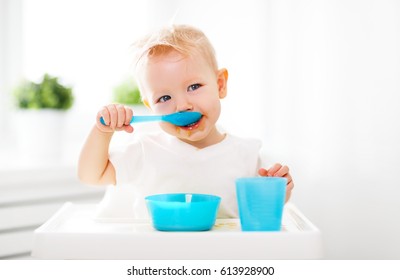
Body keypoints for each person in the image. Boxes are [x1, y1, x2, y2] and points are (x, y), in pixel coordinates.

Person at [78, 25, 294, 218]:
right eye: (164, 98)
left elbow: (258, 213)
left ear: (220, 85)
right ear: (149, 107)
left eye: (193, 87)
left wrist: (276, 193)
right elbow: (91, 175)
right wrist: (102, 131)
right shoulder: (146, 149)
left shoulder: (246, 155)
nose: (182, 106)